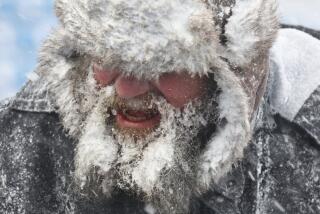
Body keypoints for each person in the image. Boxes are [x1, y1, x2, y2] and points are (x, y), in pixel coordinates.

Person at [1, 0, 320, 213]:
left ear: (229, 72)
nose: (126, 87)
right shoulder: (21, 142)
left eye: (161, 67)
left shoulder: (305, 145)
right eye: (107, 59)